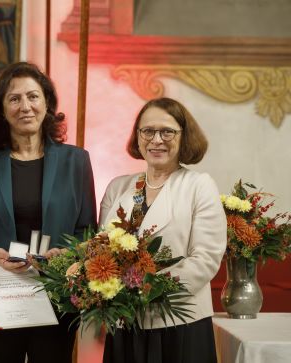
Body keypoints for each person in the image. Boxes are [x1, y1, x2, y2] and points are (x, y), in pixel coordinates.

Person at [0, 61, 97, 363]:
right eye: (14, 98)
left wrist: (68, 254)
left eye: (33, 96)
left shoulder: (77, 161)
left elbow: (88, 231)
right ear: (1, 109)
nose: (25, 106)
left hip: (56, 294)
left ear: (47, 103)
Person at [99, 97, 226, 363]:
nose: (156, 139)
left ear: (184, 137)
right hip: (125, 324)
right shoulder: (118, 187)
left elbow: (206, 259)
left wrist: (146, 290)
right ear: (138, 136)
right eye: (148, 131)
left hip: (179, 323)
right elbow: (101, 253)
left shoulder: (199, 185)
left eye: (167, 131)